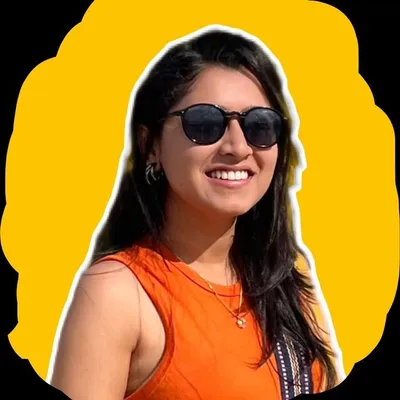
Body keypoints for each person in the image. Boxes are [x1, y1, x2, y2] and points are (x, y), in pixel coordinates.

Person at [48, 26, 340, 400]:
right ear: (150, 145)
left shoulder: (288, 283)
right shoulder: (117, 295)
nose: (238, 146)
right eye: (205, 124)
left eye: (259, 126)